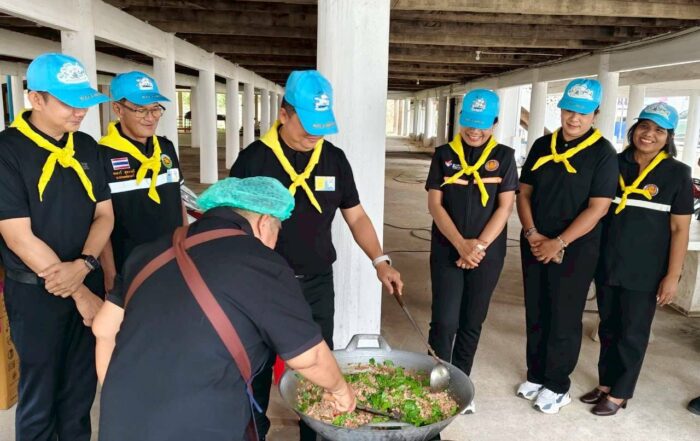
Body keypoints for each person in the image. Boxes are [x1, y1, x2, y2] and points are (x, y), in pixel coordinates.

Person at [93, 176, 356, 441]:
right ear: (264, 222)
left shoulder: (146, 253)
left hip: (121, 423)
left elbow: (103, 330)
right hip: (201, 426)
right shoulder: (260, 262)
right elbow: (310, 357)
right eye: (277, 232)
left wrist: (126, 400)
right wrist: (341, 390)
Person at [229, 70, 402, 440]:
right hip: (261, 285)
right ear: (284, 114)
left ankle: (314, 435)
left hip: (316, 284)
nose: (314, 135)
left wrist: (380, 260)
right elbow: (231, 221)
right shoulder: (254, 160)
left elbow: (356, 216)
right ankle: (253, 433)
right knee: (255, 368)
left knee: (317, 370)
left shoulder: (334, 160)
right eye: (307, 125)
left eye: (321, 127)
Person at [0, 53, 113, 440]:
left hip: (86, 280)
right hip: (36, 296)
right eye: (69, 103)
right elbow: (18, 236)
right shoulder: (8, 151)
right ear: (36, 99)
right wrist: (80, 294)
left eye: (84, 101)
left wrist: (85, 265)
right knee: (40, 396)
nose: (80, 111)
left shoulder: (86, 146)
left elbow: (105, 215)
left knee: (79, 393)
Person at [581, 102, 692, 416]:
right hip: (608, 262)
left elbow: (679, 229)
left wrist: (673, 275)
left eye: (659, 130)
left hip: (646, 269)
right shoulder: (614, 163)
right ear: (634, 128)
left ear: (668, 136)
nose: (649, 134)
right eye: (645, 126)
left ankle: (621, 392)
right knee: (608, 327)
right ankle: (606, 384)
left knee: (632, 332)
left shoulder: (678, 173)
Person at [516, 78, 618, 414]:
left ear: (595, 114)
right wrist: (532, 234)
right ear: (560, 110)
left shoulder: (603, 153)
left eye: (583, 113)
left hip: (575, 249)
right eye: (569, 110)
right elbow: (524, 193)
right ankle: (536, 374)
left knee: (564, 315)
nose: (574, 118)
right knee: (536, 309)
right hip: (535, 242)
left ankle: (557, 385)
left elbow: (598, 208)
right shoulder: (543, 145)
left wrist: (558, 242)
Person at [425, 89, 517, 414]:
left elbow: (505, 208)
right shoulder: (443, 155)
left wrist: (477, 247)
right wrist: (460, 244)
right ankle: (437, 384)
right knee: (444, 320)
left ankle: (461, 385)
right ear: (461, 119)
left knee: (471, 320)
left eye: (482, 124)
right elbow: (435, 205)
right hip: (447, 249)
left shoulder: (504, 157)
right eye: (469, 123)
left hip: (486, 253)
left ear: (494, 122)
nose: (474, 131)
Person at [98, 71, 186, 292]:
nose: (151, 117)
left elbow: (178, 201)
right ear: (118, 109)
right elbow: (99, 219)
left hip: (172, 258)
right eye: (140, 109)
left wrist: (187, 245)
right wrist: (110, 274)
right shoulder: (101, 155)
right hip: (128, 266)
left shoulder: (166, 148)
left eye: (155, 108)